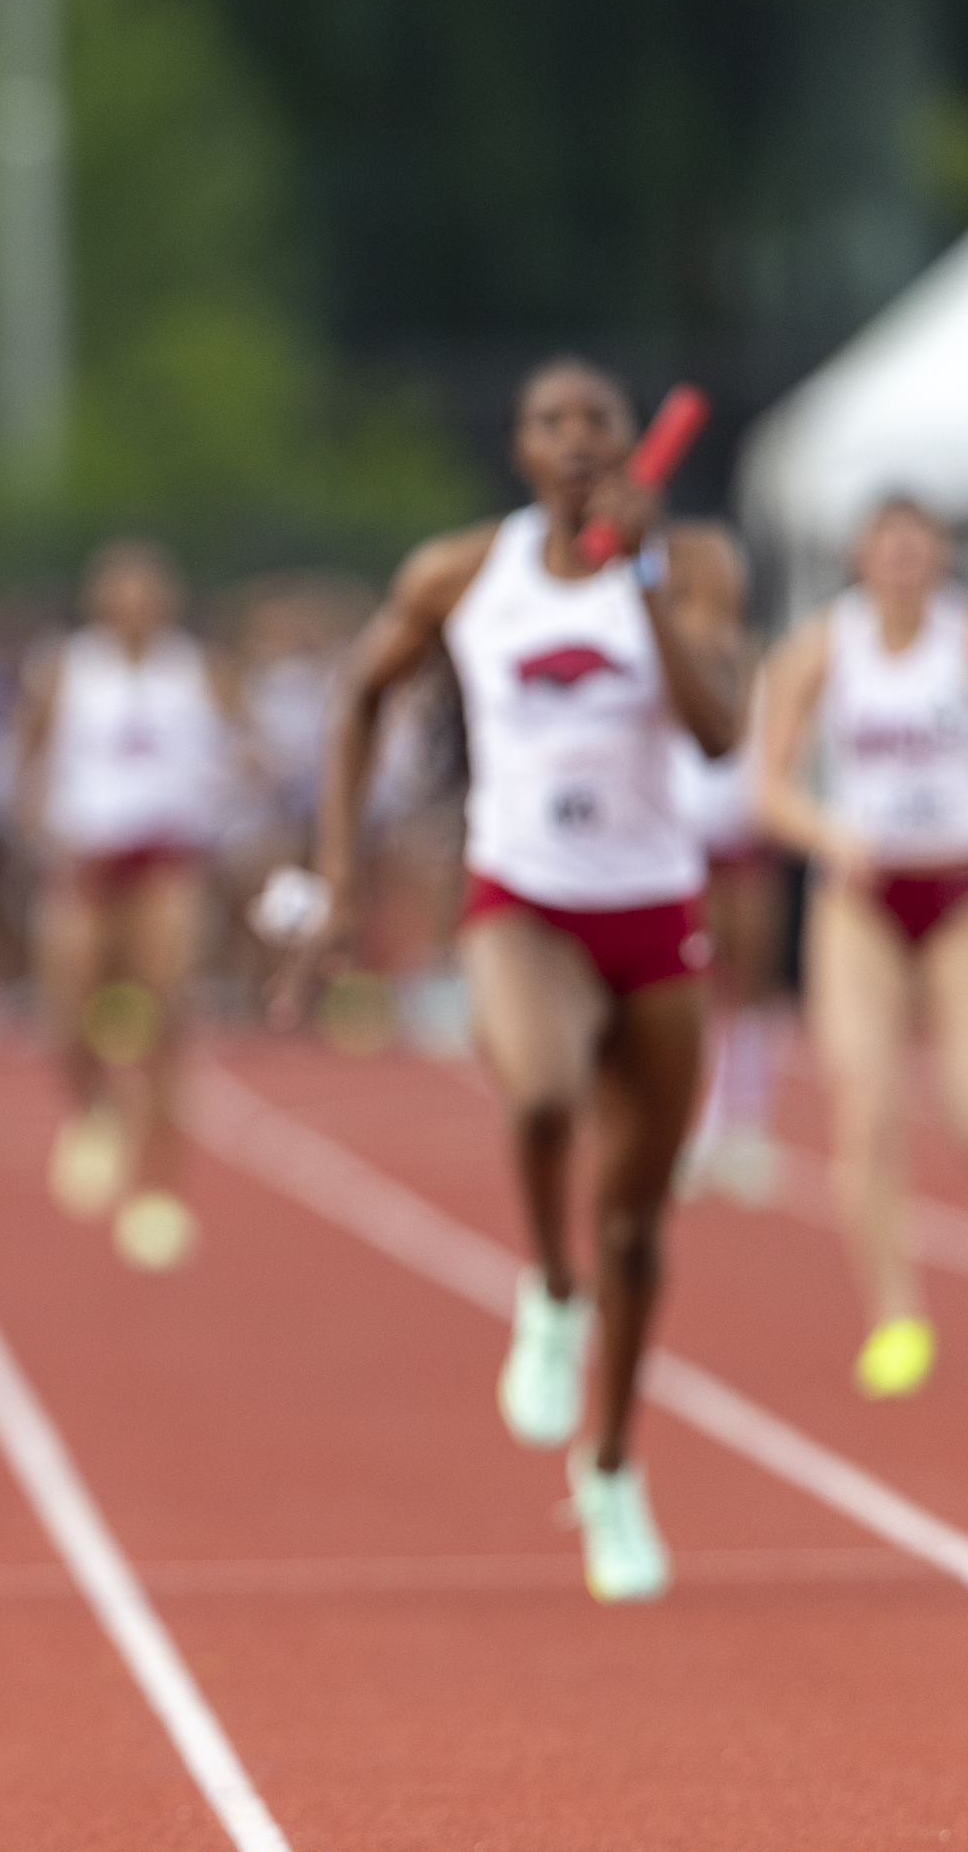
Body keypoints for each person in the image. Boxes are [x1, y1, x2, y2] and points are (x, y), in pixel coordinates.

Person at [293, 357, 745, 1604]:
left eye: (601, 418)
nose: (581, 437)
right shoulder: (461, 573)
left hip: (653, 910)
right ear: (525, 450)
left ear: (630, 442)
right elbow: (359, 698)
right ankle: (550, 1288)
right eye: (554, 421)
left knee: (642, 1227)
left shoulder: (692, 566)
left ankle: (609, 1470)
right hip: (522, 896)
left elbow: (719, 731)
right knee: (542, 1093)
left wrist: (643, 582)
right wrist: (336, 872)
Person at [748, 495, 968, 1399]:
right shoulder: (823, 647)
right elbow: (768, 786)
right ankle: (895, 1312)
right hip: (861, 899)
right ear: (863, 559)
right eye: (887, 550)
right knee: (863, 1105)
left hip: (965, 896)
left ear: (939, 558)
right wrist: (827, 834)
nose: (902, 565)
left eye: (917, 550)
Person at [14, 539, 236, 1264]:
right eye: (122, 596)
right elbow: (28, 759)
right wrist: (35, 828)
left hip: (166, 859)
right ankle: (94, 1110)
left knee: (166, 1020)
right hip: (86, 856)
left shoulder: (198, 668)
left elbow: (244, 747)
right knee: (66, 1009)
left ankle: (159, 1192)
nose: (136, 610)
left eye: (148, 596)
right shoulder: (65, 668)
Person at [669, 670, 783, 1205]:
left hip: (745, 844)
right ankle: (694, 1128)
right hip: (684, 849)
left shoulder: (763, 679)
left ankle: (748, 1122)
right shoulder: (668, 665)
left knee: (752, 982)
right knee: (693, 989)